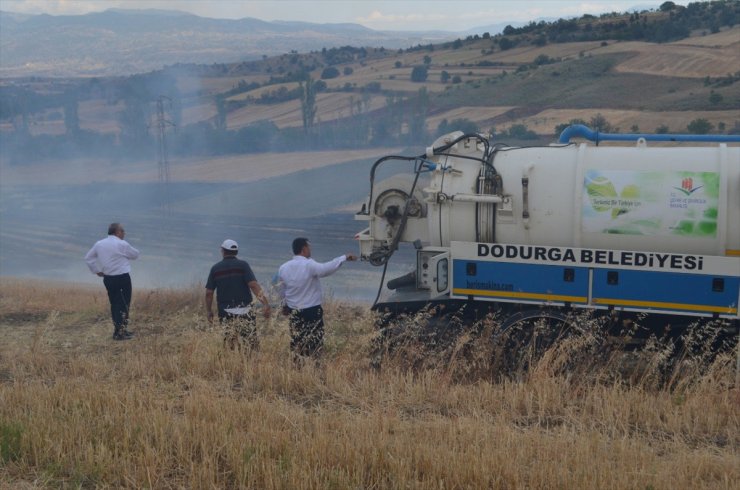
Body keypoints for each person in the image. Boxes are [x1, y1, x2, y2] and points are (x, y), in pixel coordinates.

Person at [277, 237, 356, 361]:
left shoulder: (283, 267)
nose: (310, 250)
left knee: (297, 340)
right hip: (312, 311)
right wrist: (343, 258)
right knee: (315, 340)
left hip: (294, 311)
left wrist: (284, 305)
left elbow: (281, 290)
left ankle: (298, 365)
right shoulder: (309, 264)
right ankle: (314, 366)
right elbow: (325, 269)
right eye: (309, 247)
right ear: (304, 249)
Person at [205, 239, 271, 350]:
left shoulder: (215, 269)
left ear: (223, 251)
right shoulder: (243, 266)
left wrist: (209, 311)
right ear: (236, 252)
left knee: (230, 343)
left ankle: (233, 363)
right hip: (245, 311)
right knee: (250, 343)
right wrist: (265, 303)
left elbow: (209, 293)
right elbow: (253, 285)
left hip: (225, 312)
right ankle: (250, 364)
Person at [84, 222, 140, 341]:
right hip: (122, 277)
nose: (124, 233)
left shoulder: (99, 244)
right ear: (117, 232)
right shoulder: (122, 244)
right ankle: (120, 333)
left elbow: (88, 258)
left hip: (108, 278)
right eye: (123, 231)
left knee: (114, 304)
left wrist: (97, 270)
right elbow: (135, 255)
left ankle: (119, 331)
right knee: (124, 304)